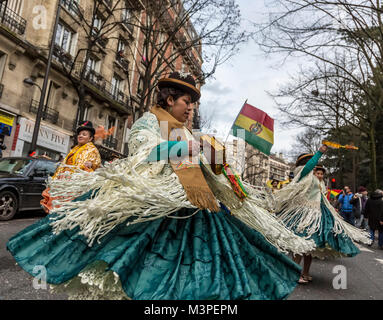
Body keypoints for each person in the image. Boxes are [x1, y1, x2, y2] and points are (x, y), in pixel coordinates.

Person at [6, 71, 316, 300]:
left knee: (198, 281)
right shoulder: (149, 122)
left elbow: (213, 171)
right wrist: (181, 149)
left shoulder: (188, 132)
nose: (191, 108)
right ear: (169, 99)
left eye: (193, 103)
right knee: (150, 277)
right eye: (186, 101)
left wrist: (217, 160)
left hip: (199, 211)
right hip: (160, 213)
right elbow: (141, 155)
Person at [274, 147, 371, 284]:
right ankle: (294, 273)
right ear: (306, 163)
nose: (315, 168)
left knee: (311, 248)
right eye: (311, 162)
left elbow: (320, 197)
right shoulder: (302, 173)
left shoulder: (314, 179)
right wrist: (319, 152)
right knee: (300, 246)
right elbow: (309, 167)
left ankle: (305, 273)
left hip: (315, 215)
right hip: (303, 215)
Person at [40, 120, 101, 213]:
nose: (80, 136)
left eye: (84, 134)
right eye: (79, 134)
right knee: (56, 207)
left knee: (67, 208)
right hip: (63, 181)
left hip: (75, 183)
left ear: (90, 138)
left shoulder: (92, 149)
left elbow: (96, 164)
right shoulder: (74, 149)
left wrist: (91, 164)